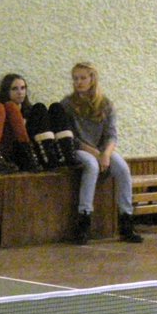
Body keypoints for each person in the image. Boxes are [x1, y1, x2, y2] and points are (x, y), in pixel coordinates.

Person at [60, 62, 142, 245]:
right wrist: (97, 154)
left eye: (83, 78)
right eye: (75, 78)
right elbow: (71, 137)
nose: (78, 82)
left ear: (92, 79)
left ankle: (126, 220)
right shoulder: (67, 104)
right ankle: (84, 219)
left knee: (123, 169)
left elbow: (112, 135)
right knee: (91, 166)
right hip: (80, 149)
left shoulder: (105, 104)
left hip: (101, 149)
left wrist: (105, 154)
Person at [0, 73, 76, 169]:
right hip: (22, 153)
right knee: (39, 107)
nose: (20, 92)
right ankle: (48, 159)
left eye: (23, 88)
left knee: (56, 107)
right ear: (6, 91)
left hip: (39, 148)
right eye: (14, 89)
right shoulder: (2, 111)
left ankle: (68, 155)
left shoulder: (29, 111)